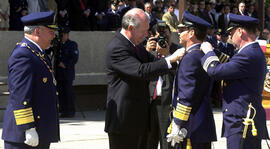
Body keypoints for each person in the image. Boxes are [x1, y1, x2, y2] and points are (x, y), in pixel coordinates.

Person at [105, 8, 185, 149]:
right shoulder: (118, 47)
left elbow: (153, 63)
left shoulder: (135, 46)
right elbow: (141, 71)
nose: (147, 34)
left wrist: (169, 56)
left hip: (138, 121)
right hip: (123, 123)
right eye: (144, 30)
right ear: (130, 28)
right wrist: (171, 59)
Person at [200, 13, 269, 149]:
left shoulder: (248, 54)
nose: (230, 37)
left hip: (242, 122)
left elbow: (216, 72)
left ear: (240, 31)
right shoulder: (250, 51)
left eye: (231, 33)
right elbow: (231, 64)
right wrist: (215, 53)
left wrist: (208, 52)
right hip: (242, 119)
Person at [2, 11, 60, 149]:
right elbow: (20, 95)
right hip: (24, 137)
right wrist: (28, 128)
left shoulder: (37, 53)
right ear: (37, 31)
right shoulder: (24, 55)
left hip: (40, 131)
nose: (54, 35)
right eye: (50, 31)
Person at [166, 11, 217, 149]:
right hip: (200, 124)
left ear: (191, 33)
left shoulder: (190, 58)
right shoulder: (200, 54)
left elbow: (187, 94)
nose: (178, 32)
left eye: (182, 29)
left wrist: (178, 122)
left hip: (190, 126)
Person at [146, 22, 179, 149]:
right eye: (160, 36)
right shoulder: (149, 52)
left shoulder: (178, 51)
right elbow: (141, 72)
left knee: (167, 141)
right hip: (150, 102)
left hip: (168, 103)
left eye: (166, 34)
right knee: (149, 140)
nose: (163, 39)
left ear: (171, 35)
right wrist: (147, 52)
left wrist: (167, 56)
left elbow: (179, 75)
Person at [56, 27, 79, 118]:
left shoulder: (72, 44)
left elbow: (74, 58)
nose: (63, 36)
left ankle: (70, 111)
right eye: (61, 34)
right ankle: (63, 110)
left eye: (64, 34)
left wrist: (65, 64)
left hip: (67, 72)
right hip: (59, 73)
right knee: (60, 92)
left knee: (68, 92)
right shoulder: (57, 45)